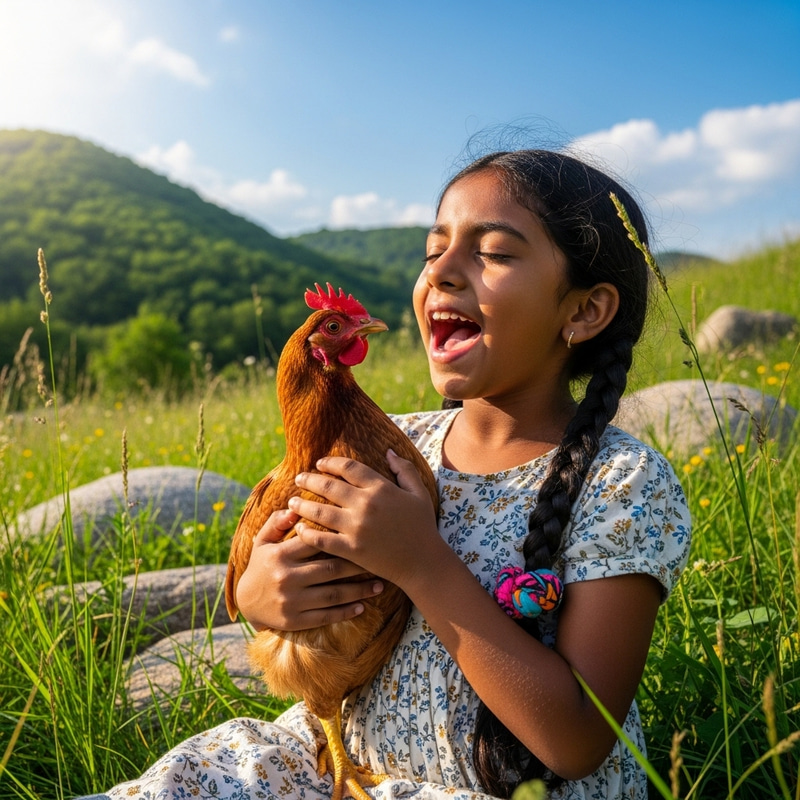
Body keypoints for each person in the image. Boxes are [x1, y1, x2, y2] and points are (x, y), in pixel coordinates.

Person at [101, 149, 691, 800]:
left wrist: (422, 563)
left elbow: (578, 739)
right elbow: (278, 598)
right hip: (342, 767)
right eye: (432, 250)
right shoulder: (395, 445)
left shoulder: (621, 482)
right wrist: (262, 598)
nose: (442, 272)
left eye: (492, 252)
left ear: (583, 312)